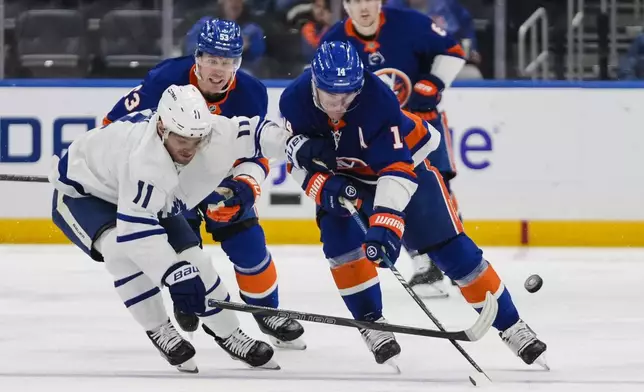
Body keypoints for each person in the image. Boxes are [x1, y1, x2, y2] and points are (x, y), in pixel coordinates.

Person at [281, 41, 548, 368]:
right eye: (331, 97)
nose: (339, 105)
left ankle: (512, 326)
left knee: (451, 249)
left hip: (408, 167)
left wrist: (385, 224)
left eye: (347, 96)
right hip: (346, 177)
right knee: (341, 248)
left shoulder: (377, 99)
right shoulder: (293, 101)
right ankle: (371, 324)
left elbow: (397, 170)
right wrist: (322, 186)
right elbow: (295, 160)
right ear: (314, 85)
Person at [103, 18, 306, 350]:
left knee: (249, 245)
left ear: (238, 62)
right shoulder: (165, 79)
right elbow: (113, 126)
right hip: (172, 183)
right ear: (197, 57)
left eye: (227, 62)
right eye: (212, 59)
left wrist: (244, 186)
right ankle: (189, 300)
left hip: (218, 178)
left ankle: (266, 311)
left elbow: (253, 149)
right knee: (186, 252)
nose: (219, 69)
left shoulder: (251, 91)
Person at [320, 0, 466, 297]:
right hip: (374, 135)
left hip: (420, 126)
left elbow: (453, 51)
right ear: (345, 5)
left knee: (435, 190)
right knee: (391, 192)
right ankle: (426, 264)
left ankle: (456, 257)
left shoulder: (409, 22)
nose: (363, 7)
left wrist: (434, 82)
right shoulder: (333, 41)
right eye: (354, 0)